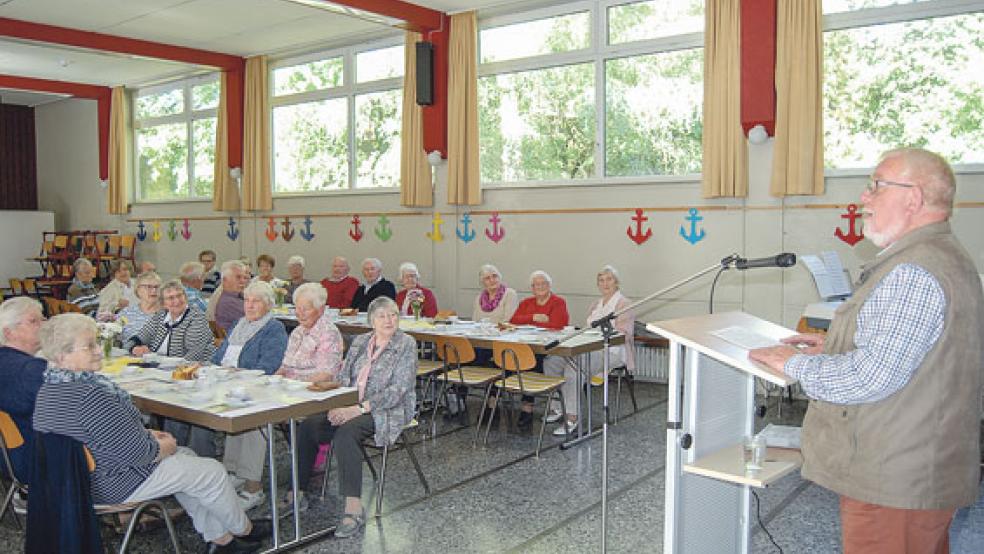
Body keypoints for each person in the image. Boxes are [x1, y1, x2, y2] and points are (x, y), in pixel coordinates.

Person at [749, 148, 984, 554]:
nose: (864, 197)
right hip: (918, 472)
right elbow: (926, 354)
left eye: (876, 185)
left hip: (892, 481)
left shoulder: (913, 269)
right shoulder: (944, 256)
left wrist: (797, 364)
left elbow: (872, 377)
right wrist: (832, 345)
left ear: (913, 198)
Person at [32, 313, 268, 553]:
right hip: (113, 482)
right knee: (211, 472)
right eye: (89, 346)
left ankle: (222, 539)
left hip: (77, 480)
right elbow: (140, 454)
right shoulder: (91, 394)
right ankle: (243, 529)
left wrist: (149, 436)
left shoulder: (50, 388)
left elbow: (104, 437)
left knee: (189, 460)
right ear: (63, 356)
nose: (98, 350)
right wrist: (165, 445)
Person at [295, 297, 416, 535]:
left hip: (389, 409)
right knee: (309, 425)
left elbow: (399, 390)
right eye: (382, 316)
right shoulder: (361, 341)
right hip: (351, 404)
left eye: (393, 315)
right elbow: (343, 377)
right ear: (371, 320)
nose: (389, 320)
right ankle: (296, 492)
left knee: (345, 433)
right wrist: (335, 404)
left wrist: (357, 409)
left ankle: (353, 508)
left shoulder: (406, 344)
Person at [213, 282, 288, 511]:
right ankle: (234, 472)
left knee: (253, 419)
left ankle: (254, 487)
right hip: (228, 384)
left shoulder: (273, 328)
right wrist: (213, 370)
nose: (250, 305)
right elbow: (219, 356)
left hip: (258, 388)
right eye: (247, 300)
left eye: (256, 301)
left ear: (268, 304)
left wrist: (236, 375)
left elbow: (268, 366)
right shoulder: (239, 324)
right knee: (232, 417)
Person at [128, 281, 218, 456]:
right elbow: (136, 338)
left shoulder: (195, 317)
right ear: (163, 303)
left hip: (194, 376)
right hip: (163, 375)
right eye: (170, 298)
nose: (176, 301)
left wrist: (168, 368)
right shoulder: (160, 316)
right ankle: (171, 452)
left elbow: (194, 354)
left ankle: (184, 454)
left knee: (171, 408)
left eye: (179, 296)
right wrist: (135, 348)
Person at [544, 265, 634, 436]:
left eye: (609, 279)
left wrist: (600, 335)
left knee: (574, 369)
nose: (605, 283)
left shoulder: (624, 304)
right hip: (588, 347)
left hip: (612, 351)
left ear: (616, 282)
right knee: (552, 361)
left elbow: (625, 335)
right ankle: (557, 407)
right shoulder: (595, 305)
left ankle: (572, 417)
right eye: (601, 280)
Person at [505, 271, 570, 428]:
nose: (540, 287)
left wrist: (530, 323)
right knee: (511, 358)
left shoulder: (558, 302)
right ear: (532, 288)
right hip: (527, 346)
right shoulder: (527, 303)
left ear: (549, 286)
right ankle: (496, 403)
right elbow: (513, 321)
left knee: (531, 362)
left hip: (548, 349)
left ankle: (527, 408)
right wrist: (533, 317)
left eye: (543, 284)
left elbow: (559, 324)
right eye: (536, 285)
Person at [0, 297, 46, 485]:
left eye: (43, 318)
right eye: (33, 321)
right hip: (39, 459)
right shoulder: (30, 370)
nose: (43, 324)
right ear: (9, 332)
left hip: (10, 457)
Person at [276, 283, 344, 383]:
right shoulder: (297, 332)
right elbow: (285, 367)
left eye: (306, 309)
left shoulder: (329, 333)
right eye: (297, 308)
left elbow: (326, 375)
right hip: (290, 388)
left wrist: (297, 387)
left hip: (314, 390)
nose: (300, 313)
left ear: (320, 310)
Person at [118, 272, 162, 344]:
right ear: (138, 290)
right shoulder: (126, 313)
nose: (154, 290)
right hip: (126, 353)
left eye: (157, 287)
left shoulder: (166, 315)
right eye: (149, 287)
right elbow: (113, 336)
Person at [211, 260, 249, 333]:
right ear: (225, 280)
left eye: (244, 278)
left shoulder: (237, 296)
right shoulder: (228, 302)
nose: (243, 281)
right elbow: (258, 322)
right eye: (238, 277)